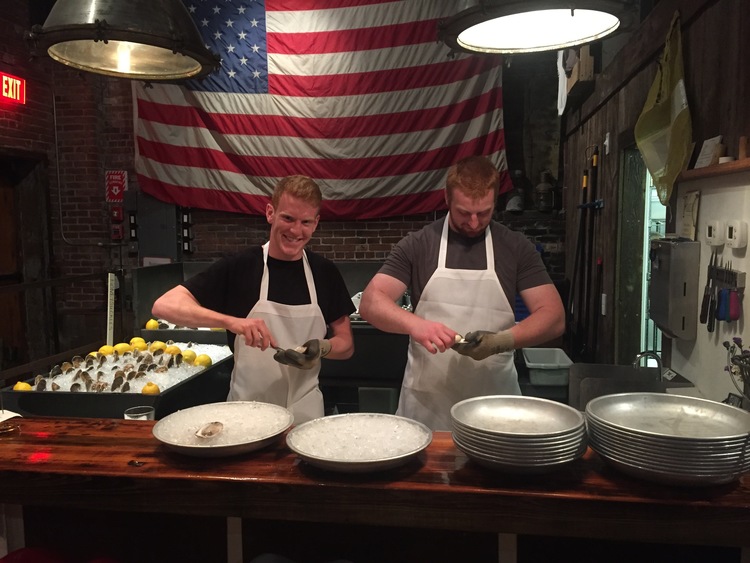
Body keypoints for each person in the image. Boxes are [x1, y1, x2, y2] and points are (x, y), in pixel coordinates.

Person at [359, 156, 565, 430]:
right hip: (427, 407)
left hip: (495, 406)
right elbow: (372, 302)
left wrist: (501, 341)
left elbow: (553, 317)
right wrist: (417, 325)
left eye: (484, 212)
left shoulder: (515, 247)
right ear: (447, 198)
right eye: (464, 212)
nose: (473, 222)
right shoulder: (419, 244)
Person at [151, 175, 355, 423]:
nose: (295, 230)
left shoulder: (324, 272)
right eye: (288, 218)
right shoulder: (241, 266)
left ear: (316, 223)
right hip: (246, 415)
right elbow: (164, 306)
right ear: (270, 212)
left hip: (306, 415)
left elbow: (346, 344)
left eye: (305, 222)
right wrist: (232, 322)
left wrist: (323, 349)